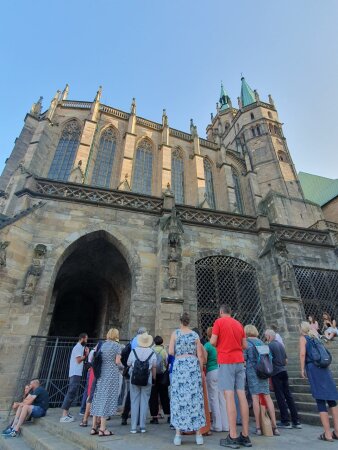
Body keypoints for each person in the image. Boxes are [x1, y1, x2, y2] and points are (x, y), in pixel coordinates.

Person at [210, 304, 252, 448]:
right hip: (240, 361)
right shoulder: (239, 324)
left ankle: (233, 435)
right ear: (230, 312)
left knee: (229, 396)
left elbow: (213, 341)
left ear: (221, 312)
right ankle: (245, 436)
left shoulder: (218, 322)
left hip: (226, 360)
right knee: (242, 395)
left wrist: (220, 344)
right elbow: (245, 345)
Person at [169, 312, 205, 446]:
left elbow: (171, 352)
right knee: (195, 398)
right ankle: (198, 435)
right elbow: (200, 355)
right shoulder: (195, 335)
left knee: (179, 398)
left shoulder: (175, 334)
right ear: (189, 321)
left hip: (180, 365)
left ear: (180, 321)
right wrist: (201, 370)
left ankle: (178, 435)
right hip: (192, 366)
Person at [299, 321, 338, 442]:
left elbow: (302, 354)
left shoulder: (303, 338)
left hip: (314, 369)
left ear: (301, 329)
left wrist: (302, 370)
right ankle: (337, 431)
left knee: (320, 401)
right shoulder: (316, 337)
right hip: (325, 369)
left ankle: (327, 434)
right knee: (332, 401)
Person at [244, 324, 279, 436]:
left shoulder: (247, 343)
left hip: (252, 372)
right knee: (267, 396)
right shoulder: (262, 343)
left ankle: (258, 427)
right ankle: (275, 426)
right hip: (264, 372)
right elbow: (270, 358)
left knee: (255, 397)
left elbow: (244, 358)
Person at [265, 329, 301, 429]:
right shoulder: (281, 345)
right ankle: (296, 420)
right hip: (284, 371)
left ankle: (285, 420)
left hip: (276, 372)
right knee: (288, 395)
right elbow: (286, 360)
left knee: (280, 396)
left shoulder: (269, 346)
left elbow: (268, 361)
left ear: (268, 337)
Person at [90, 329, 121, 436]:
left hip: (101, 373)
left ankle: (94, 427)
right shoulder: (117, 346)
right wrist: (124, 367)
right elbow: (117, 362)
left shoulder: (102, 345)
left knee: (98, 397)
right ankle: (103, 428)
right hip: (111, 374)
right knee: (106, 399)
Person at [127, 332, 157, 434]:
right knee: (144, 402)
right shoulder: (152, 352)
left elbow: (128, 363)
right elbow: (154, 367)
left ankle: (133, 427)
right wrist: (154, 378)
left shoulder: (134, 351)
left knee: (134, 401)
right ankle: (143, 426)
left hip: (134, 377)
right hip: (147, 378)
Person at [120, 327, 147, 426]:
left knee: (130, 394)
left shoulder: (132, 341)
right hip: (143, 372)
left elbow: (128, 361)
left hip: (133, 371)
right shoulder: (144, 343)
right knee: (142, 396)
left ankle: (125, 416)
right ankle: (139, 420)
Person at [204, 326, 229, 433]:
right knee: (222, 399)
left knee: (213, 399)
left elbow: (204, 360)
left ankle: (217, 425)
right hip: (222, 371)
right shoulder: (220, 345)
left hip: (212, 371)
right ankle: (226, 425)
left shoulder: (208, 345)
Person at [60, 332, 89, 423]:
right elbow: (78, 360)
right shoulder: (77, 347)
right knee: (71, 392)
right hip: (75, 372)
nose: (87, 341)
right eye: (86, 339)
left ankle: (66, 413)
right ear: (82, 338)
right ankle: (64, 415)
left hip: (77, 373)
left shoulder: (81, 348)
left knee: (72, 392)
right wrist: (86, 355)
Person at [149, 335, 170, 424]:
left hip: (153, 375)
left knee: (153, 396)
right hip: (162, 375)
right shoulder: (164, 351)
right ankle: (169, 414)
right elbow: (166, 362)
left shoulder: (151, 351)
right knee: (164, 396)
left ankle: (154, 417)